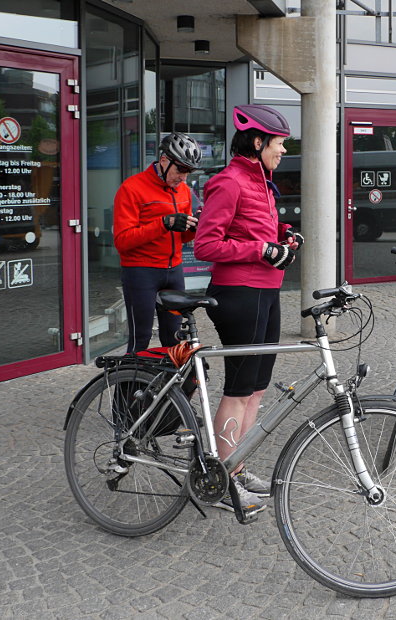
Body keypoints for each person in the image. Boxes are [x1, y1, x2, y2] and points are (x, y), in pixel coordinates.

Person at [193, 104, 303, 514]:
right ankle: (220, 476)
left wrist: (283, 236)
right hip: (239, 293)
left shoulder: (263, 181)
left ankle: (235, 466)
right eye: (279, 144)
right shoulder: (230, 182)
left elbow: (258, 229)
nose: (283, 151)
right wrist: (260, 248)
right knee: (239, 391)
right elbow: (205, 245)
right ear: (258, 142)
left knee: (256, 389)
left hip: (267, 293)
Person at [113, 132, 202, 353]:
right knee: (140, 338)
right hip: (141, 273)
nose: (183, 177)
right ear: (164, 160)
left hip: (174, 272)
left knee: (173, 339)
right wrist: (164, 223)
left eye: (189, 172)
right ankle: (125, 388)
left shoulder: (184, 191)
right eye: (180, 169)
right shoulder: (132, 188)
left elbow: (181, 237)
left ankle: (166, 387)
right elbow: (122, 241)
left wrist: (194, 228)